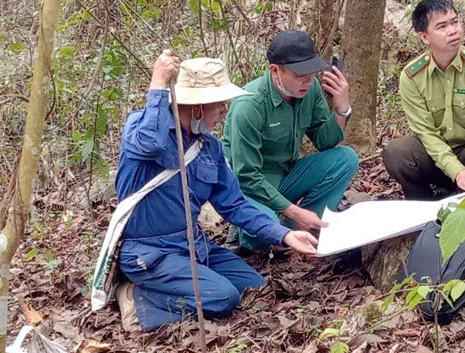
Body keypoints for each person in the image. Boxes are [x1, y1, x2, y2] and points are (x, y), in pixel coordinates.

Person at [114, 52, 318, 332]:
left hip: (192, 247)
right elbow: (151, 144)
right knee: (222, 297)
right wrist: (158, 84)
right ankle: (138, 300)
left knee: (253, 286)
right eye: (218, 104)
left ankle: (182, 286)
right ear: (197, 107)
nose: (224, 110)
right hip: (149, 252)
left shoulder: (208, 148)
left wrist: (284, 234)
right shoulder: (142, 129)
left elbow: (234, 204)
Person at [223, 30, 358, 250]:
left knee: (346, 158)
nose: (307, 81)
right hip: (251, 187)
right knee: (264, 236)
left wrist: (342, 108)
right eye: (299, 75)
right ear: (275, 70)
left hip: (285, 176)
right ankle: (260, 227)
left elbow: (325, 141)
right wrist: (294, 210)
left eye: (312, 73)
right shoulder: (249, 106)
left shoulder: (310, 89)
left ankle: (307, 227)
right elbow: (246, 176)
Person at [383, 0, 465, 200]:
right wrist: (456, 171)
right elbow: (425, 133)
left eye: (455, 22)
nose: (453, 30)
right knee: (396, 153)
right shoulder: (412, 77)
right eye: (442, 26)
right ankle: (421, 205)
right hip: (433, 158)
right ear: (425, 37)